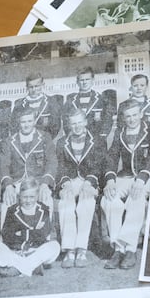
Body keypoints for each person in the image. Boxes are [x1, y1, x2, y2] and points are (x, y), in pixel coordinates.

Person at [101, 100, 150, 270]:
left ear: (141, 114)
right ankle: (119, 249)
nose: (132, 119)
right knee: (108, 200)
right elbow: (111, 157)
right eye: (128, 116)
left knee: (136, 199)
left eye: (135, 115)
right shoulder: (120, 132)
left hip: (146, 177)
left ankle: (130, 250)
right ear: (123, 118)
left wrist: (141, 179)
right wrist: (110, 179)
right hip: (125, 176)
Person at [56, 109, 105, 268]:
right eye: (73, 124)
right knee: (66, 201)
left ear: (85, 122)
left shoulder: (97, 140)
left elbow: (98, 166)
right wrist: (65, 182)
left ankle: (81, 249)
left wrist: (89, 181)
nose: (77, 127)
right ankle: (69, 250)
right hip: (70, 181)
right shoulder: (62, 142)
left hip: (88, 181)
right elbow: (60, 166)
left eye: (79, 123)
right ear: (69, 125)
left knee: (87, 200)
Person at [0, 177, 60, 277]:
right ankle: (31, 267)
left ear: (37, 196)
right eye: (25, 197)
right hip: (15, 252)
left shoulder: (44, 210)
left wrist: (22, 233)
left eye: (32, 197)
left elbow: (44, 234)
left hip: (35, 251)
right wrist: (31, 234)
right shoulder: (12, 210)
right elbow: (7, 235)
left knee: (54, 246)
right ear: (19, 196)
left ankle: (15, 269)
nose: (28, 201)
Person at [0, 105, 57, 222]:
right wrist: (9, 185)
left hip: (38, 182)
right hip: (17, 183)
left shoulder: (45, 138)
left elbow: (52, 162)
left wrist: (45, 184)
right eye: (23, 121)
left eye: (29, 121)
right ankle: (5, 238)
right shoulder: (9, 141)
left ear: (35, 121)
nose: (26, 125)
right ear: (18, 123)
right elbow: (3, 165)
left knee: (46, 199)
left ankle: (45, 238)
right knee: (8, 201)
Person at [65, 67, 114, 141]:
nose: (84, 82)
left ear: (93, 80)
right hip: (76, 140)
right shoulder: (70, 101)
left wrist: (102, 137)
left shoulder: (102, 100)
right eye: (82, 80)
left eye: (87, 79)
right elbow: (66, 122)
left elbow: (108, 121)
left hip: (97, 140)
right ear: (77, 82)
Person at [12, 72, 63, 139]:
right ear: (27, 87)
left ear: (43, 85)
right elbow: (14, 127)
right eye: (31, 87)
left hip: (45, 142)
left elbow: (56, 126)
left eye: (37, 86)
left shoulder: (51, 102)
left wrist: (45, 141)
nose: (34, 90)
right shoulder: (19, 105)